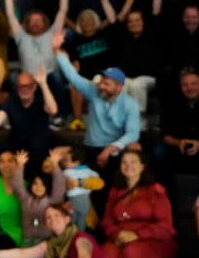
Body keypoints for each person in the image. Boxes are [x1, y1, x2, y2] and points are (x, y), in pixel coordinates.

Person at [101, 150, 190, 258]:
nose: (128, 165)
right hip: (120, 238)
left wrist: (137, 234)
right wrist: (117, 234)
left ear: (143, 166)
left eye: (133, 161)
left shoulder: (155, 190)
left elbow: (165, 226)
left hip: (153, 240)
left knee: (132, 252)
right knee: (106, 254)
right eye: (124, 162)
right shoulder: (115, 192)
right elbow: (107, 222)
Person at [53, 29, 140, 183]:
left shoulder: (129, 104)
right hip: (91, 149)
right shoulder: (94, 91)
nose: (101, 86)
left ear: (119, 87)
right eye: (101, 81)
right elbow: (73, 77)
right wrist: (56, 50)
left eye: (107, 84)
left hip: (115, 152)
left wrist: (110, 149)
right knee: (93, 191)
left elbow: (133, 134)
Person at [4, 0, 70, 118]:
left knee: (57, 75)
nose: (35, 23)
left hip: (50, 75)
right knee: (14, 78)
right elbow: (10, 15)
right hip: (29, 78)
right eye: (32, 21)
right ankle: (16, 115)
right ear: (27, 24)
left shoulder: (52, 32)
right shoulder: (21, 35)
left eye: (39, 21)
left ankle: (60, 116)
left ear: (44, 22)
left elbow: (62, 10)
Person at [152, 68, 199, 193]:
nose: (189, 88)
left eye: (194, 84)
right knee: (159, 152)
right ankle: (166, 199)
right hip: (179, 150)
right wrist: (178, 142)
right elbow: (164, 135)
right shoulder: (172, 102)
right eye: (185, 85)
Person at [0, 67, 58, 177]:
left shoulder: (41, 99)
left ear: (34, 87)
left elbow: (53, 109)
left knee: (37, 146)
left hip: (39, 149)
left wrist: (43, 84)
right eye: (20, 86)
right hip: (17, 148)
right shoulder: (11, 100)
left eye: (27, 86)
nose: (24, 89)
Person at [11, 149, 67, 258]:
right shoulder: (26, 199)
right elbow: (17, 185)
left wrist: (55, 165)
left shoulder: (52, 200)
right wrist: (20, 166)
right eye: (35, 183)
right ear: (31, 185)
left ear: (47, 187)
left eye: (42, 184)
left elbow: (59, 184)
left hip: (44, 242)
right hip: (26, 240)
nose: (38, 187)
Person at [60, 146, 104, 230]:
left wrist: (79, 183)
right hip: (82, 201)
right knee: (80, 219)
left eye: (66, 161)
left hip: (77, 200)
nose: (63, 162)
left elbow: (99, 182)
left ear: (76, 163)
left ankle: (76, 234)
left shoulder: (67, 171)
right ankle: (79, 234)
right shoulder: (88, 171)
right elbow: (97, 176)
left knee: (74, 220)